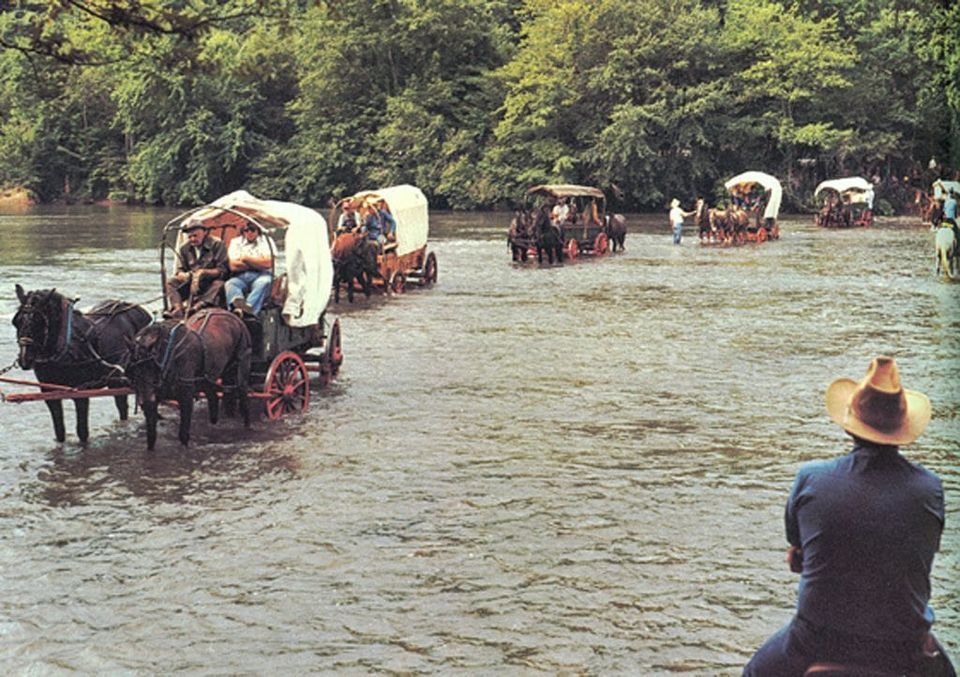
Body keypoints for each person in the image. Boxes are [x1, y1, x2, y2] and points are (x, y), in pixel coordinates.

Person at [744, 356, 955, 677]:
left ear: (850, 424)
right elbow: (923, 555)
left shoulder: (810, 479)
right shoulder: (930, 489)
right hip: (903, 646)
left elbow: (797, 557)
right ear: (902, 427)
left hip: (816, 640)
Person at [164, 219, 229, 319]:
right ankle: (177, 308)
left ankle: (198, 306)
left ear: (204, 233)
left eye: (195, 236)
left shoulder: (217, 244)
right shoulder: (184, 248)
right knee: (170, 282)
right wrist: (183, 275)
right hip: (191, 282)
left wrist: (203, 272)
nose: (193, 239)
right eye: (190, 237)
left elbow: (222, 270)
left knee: (219, 284)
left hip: (210, 283)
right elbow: (180, 269)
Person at [225, 221, 276, 317]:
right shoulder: (235, 242)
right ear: (243, 232)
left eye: (252, 230)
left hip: (261, 275)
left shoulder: (266, 241)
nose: (249, 233)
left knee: (264, 282)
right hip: (241, 276)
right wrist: (257, 263)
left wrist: (245, 259)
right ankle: (238, 305)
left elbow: (268, 263)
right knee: (230, 284)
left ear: (258, 231)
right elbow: (233, 266)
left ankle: (248, 310)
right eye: (246, 230)